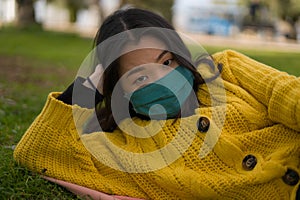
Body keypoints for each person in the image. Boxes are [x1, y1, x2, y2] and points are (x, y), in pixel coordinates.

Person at [13, 8, 300, 200]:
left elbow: (289, 95)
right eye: (139, 77)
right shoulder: (128, 147)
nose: (162, 79)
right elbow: (36, 152)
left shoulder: (227, 68)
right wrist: (86, 88)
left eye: (167, 61)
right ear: (118, 92)